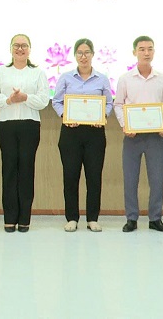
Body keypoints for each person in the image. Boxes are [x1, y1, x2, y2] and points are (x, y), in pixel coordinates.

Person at [0, 34, 50, 233]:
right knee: (9, 170)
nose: (20, 49)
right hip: (6, 124)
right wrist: (8, 100)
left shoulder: (38, 73)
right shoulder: (0, 71)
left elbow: (43, 100)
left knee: (26, 170)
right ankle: (9, 219)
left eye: (24, 45)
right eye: (16, 45)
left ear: (30, 49)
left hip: (29, 125)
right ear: (10, 49)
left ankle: (24, 219)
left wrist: (25, 98)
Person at [114, 36, 163, 233]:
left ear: (154, 52)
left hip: (156, 137)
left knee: (157, 179)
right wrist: (125, 125)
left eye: (150, 49)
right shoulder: (125, 79)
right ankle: (131, 218)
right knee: (130, 179)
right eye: (142, 49)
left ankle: (155, 218)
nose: (146, 53)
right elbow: (118, 104)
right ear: (134, 52)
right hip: (132, 137)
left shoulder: (162, 79)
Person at [52, 38, 113, 232]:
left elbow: (109, 103)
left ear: (93, 54)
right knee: (70, 176)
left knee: (94, 176)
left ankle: (92, 218)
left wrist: (103, 116)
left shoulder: (102, 79)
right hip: (71, 133)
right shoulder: (66, 77)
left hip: (95, 133)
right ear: (75, 55)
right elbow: (56, 101)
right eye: (80, 52)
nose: (83, 56)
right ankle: (72, 218)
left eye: (87, 52)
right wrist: (64, 116)